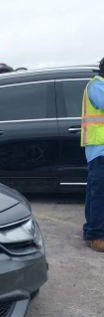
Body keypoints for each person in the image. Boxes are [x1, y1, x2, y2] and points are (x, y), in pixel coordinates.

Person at [82, 57, 104, 252]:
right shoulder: (96, 86)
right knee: (99, 194)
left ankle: (90, 230)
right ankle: (96, 236)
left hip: (100, 148)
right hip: (99, 148)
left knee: (94, 193)